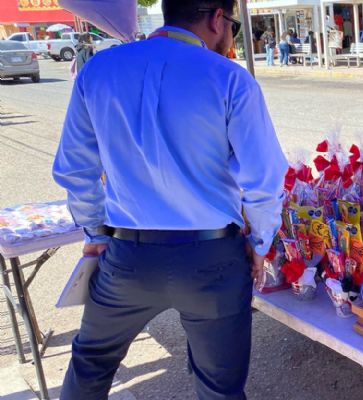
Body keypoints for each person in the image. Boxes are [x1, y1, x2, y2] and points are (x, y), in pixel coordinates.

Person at [51, 0, 287, 398]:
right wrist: (260, 243)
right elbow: (264, 180)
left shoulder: (99, 70)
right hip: (212, 260)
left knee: (90, 364)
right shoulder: (230, 78)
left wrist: (95, 231)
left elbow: (76, 169)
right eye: (234, 26)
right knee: (219, 386)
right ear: (217, 18)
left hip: (127, 256)